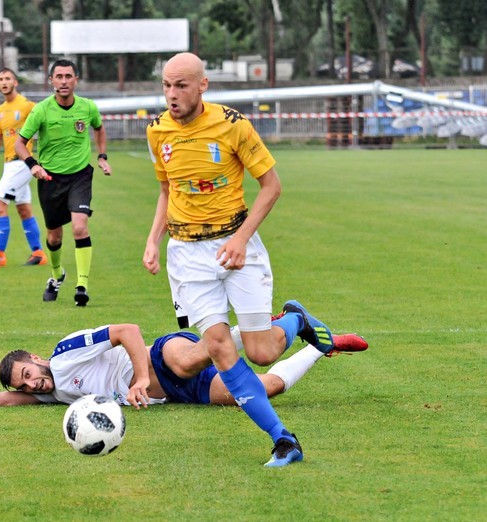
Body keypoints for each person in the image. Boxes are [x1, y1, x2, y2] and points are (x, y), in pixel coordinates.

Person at [142, 52, 335, 467]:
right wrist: (152, 241)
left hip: (236, 243)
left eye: (181, 86)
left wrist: (243, 239)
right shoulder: (157, 131)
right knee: (216, 347)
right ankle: (283, 439)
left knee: (262, 352)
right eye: (166, 86)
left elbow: (271, 186)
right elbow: (166, 191)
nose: (172, 95)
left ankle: (295, 320)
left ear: (203, 85)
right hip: (187, 254)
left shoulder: (233, 125)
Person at [0, 303, 368, 427]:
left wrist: (140, 377)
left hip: (158, 356)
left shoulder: (65, 352)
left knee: (192, 355)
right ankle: (313, 342)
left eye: (29, 373)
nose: (32, 384)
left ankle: (280, 322)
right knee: (261, 388)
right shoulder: (52, 395)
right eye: (26, 384)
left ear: (35, 359)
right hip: (173, 393)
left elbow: (128, 330)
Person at [13, 59, 112, 306]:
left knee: (80, 227)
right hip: (49, 179)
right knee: (54, 237)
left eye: (69, 76)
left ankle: (82, 286)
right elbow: (19, 143)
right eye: (59, 76)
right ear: (52, 81)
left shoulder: (88, 107)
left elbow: (99, 129)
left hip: (79, 175)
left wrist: (101, 156)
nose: (64, 81)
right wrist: (33, 165)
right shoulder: (41, 110)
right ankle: (57, 275)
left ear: (76, 80)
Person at [0, 68, 47, 267]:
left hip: (22, 163)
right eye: (0, 79)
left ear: (15, 83)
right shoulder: (0, 111)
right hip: (9, 164)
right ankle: (39, 254)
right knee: (24, 209)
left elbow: (44, 126)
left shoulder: (27, 106)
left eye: (8, 78)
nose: (4, 82)